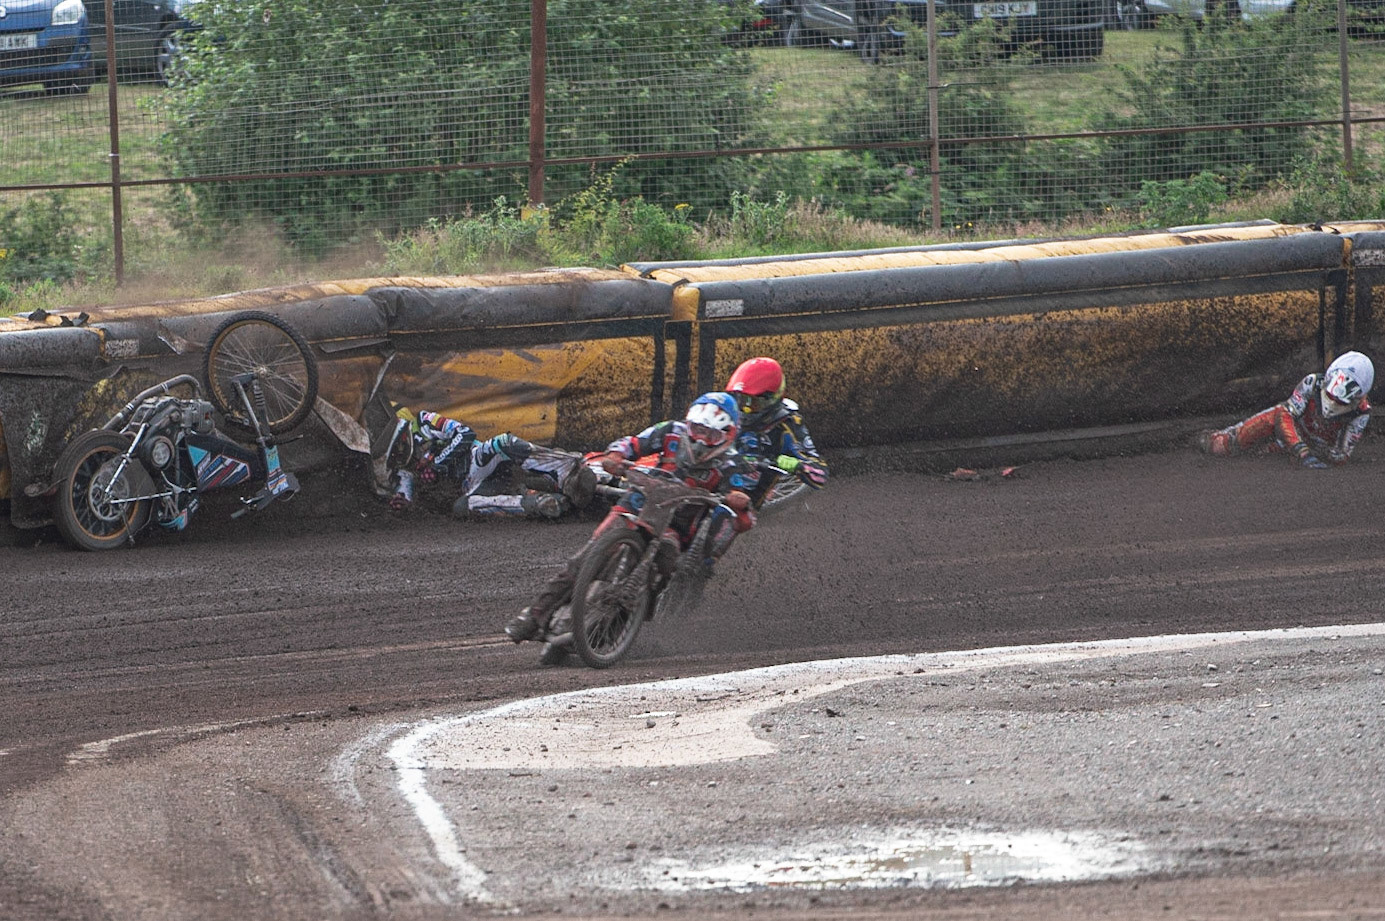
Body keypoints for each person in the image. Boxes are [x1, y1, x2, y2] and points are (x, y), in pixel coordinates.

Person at [504, 392, 757, 649]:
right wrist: (615, 455)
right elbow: (634, 443)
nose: (702, 439)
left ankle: (626, 623)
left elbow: (743, 510)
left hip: (676, 527)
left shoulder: (733, 463)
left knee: (666, 566)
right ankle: (534, 615)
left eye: (712, 435)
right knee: (582, 560)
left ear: (728, 435)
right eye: (698, 429)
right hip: (636, 503)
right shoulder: (671, 431)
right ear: (689, 423)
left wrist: (739, 503)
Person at [385, 404, 595, 518]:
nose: (399, 450)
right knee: (463, 507)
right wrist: (401, 503)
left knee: (502, 442)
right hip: (470, 484)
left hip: (478, 459)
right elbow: (406, 498)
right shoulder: (401, 466)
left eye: (399, 442)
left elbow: (465, 433)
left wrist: (438, 463)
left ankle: (566, 473)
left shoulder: (425, 421)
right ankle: (538, 504)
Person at [1197, 350, 1374, 468]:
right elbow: (1285, 414)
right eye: (1331, 395)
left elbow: (1341, 455)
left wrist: (1316, 452)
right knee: (1274, 416)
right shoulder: (1312, 383)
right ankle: (1222, 440)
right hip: (1289, 434)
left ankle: (1275, 448)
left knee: (1269, 452)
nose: (1333, 402)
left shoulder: (1362, 411)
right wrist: (1300, 450)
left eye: (1340, 400)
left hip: (1314, 449)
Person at [725, 356, 828, 507]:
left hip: (745, 496)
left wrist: (795, 464)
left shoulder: (787, 425)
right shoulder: (729, 408)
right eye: (741, 400)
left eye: (753, 403)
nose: (744, 408)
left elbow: (820, 474)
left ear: (771, 399)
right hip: (715, 469)